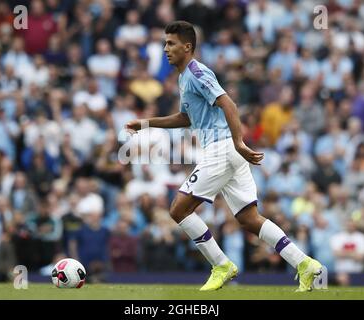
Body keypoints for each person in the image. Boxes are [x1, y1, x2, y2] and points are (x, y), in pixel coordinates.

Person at [125, 21, 322, 292]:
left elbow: (227, 102)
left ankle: (221, 264)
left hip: (222, 148)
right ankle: (304, 264)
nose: (165, 48)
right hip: (227, 151)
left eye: (170, 43)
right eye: (165, 43)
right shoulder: (184, 77)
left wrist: (239, 142)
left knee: (178, 210)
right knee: (249, 218)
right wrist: (146, 123)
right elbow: (185, 117)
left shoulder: (196, 72)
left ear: (187, 46)